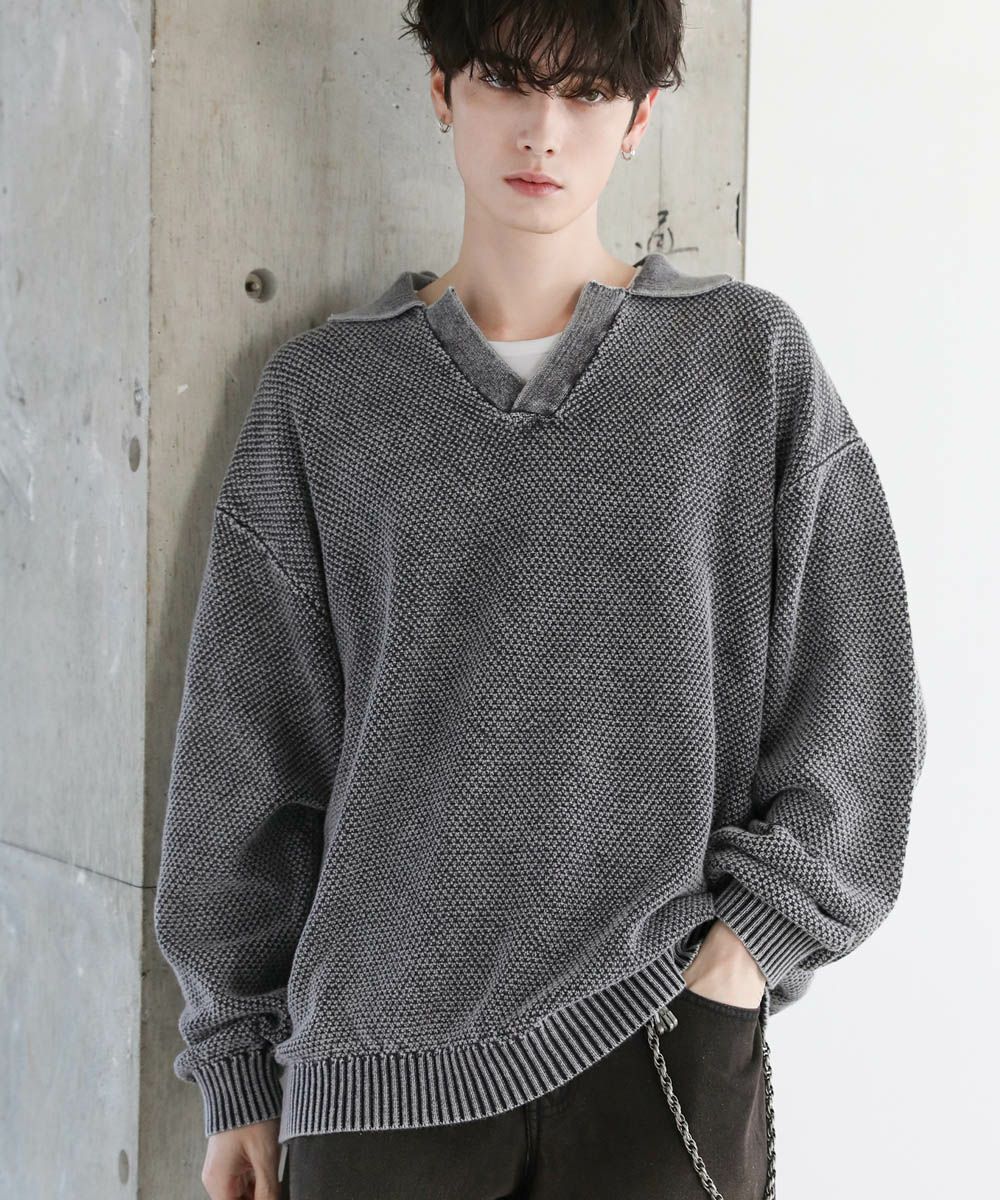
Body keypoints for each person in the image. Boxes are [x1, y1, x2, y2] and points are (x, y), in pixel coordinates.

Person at [153, 3, 928, 1198]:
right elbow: (247, 758)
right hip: (377, 1081)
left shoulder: (743, 363)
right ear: (443, 89)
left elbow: (860, 704)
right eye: (509, 81)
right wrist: (237, 1070)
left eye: (586, 93)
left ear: (641, 115)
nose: (543, 131)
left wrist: (740, 958)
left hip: (657, 1043)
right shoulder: (327, 397)